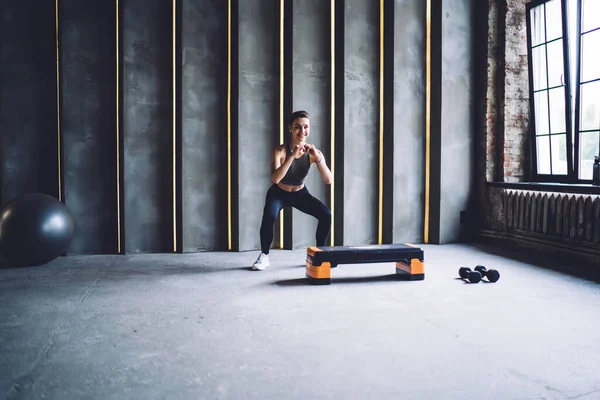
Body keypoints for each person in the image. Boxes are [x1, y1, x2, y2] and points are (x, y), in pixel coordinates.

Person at [252, 110, 333, 270]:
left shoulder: (312, 153)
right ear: (290, 128)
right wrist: (292, 156)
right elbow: (275, 179)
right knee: (269, 216)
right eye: (297, 127)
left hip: (300, 194)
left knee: (326, 214)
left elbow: (328, 180)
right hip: (278, 194)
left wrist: (318, 159)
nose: (302, 131)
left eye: (305, 127)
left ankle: (319, 254)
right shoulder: (280, 151)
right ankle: (264, 256)